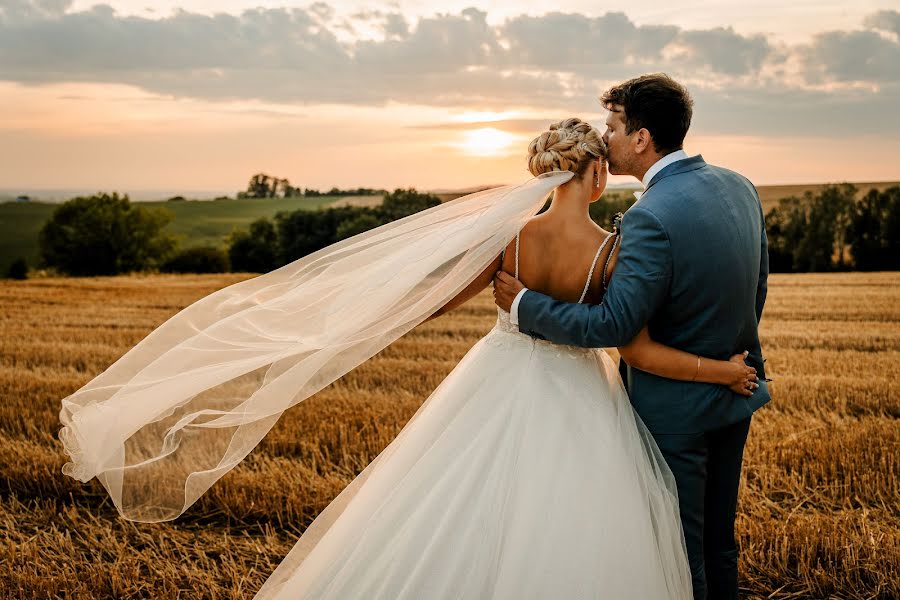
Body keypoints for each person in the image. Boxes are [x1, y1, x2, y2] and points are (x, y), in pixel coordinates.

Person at [251, 117, 758, 599]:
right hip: (579, 391)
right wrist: (724, 370)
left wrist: (363, 322)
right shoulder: (611, 251)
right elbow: (630, 340)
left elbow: (440, 299)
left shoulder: (511, 238)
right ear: (597, 172)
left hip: (496, 376)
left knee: (454, 499)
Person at [494, 74, 771, 600]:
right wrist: (727, 362)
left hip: (673, 412)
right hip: (737, 393)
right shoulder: (740, 186)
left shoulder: (648, 217)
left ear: (641, 138)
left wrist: (527, 305)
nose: (608, 138)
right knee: (720, 544)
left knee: (681, 549)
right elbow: (755, 287)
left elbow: (614, 327)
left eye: (613, 125)